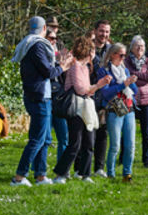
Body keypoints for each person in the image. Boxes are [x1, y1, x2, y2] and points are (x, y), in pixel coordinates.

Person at [11, 16, 72, 187]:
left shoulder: (29, 43)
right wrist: (63, 67)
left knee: (44, 139)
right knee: (37, 139)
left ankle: (40, 175)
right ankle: (19, 176)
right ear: (44, 28)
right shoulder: (37, 45)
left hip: (40, 96)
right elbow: (47, 72)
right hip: (39, 97)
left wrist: (58, 66)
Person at [52, 36, 111, 183]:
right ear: (87, 51)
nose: (94, 53)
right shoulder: (75, 66)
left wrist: (98, 86)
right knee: (75, 143)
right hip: (76, 109)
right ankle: (61, 173)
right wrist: (97, 85)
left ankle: (85, 174)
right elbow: (80, 89)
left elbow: (88, 90)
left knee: (89, 143)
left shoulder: (85, 68)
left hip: (86, 108)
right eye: (92, 50)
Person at [95, 43, 137, 181]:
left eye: (125, 55)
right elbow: (106, 93)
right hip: (114, 109)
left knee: (130, 144)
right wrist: (122, 85)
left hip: (129, 108)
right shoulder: (104, 71)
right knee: (115, 145)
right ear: (112, 54)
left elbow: (135, 91)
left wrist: (131, 82)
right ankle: (111, 173)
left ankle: (127, 173)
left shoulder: (124, 70)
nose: (123, 58)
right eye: (121, 55)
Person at [127, 36, 148, 168]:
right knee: (127, 131)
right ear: (132, 48)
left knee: (146, 132)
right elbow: (127, 75)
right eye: (137, 46)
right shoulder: (127, 61)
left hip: (146, 100)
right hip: (130, 99)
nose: (140, 48)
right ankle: (125, 157)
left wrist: (136, 75)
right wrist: (142, 77)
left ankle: (147, 159)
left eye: (142, 46)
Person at [89, 20, 113, 177]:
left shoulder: (112, 50)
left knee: (103, 133)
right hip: (89, 94)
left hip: (105, 97)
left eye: (107, 32)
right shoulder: (87, 48)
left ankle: (99, 168)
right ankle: (81, 169)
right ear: (95, 31)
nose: (104, 34)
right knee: (87, 133)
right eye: (101, 31)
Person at [46, 17, 69, 163]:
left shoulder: (60, 46)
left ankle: (62, 168)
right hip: (45, 95)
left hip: (59, 94)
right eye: (50, 28)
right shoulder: (39, 49)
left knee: (64, 136)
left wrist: (64, 65)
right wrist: (60, 65)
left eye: (56, 28)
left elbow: (65, 72)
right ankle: (39, 170)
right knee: (45, 137)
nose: (54, 36)